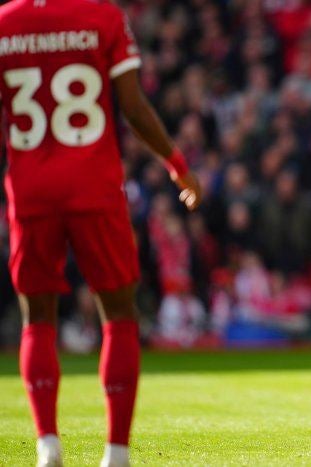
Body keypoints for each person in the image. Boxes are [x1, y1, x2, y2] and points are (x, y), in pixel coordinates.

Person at [0, 1, 202, 466]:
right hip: (94, 183)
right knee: (118, 312)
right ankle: (115, 451)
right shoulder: (101, 16)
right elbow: (132, 106)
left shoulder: (6, 22)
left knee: (38, 318)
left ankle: (47, 443)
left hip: (30, 188)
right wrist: (176, 164)